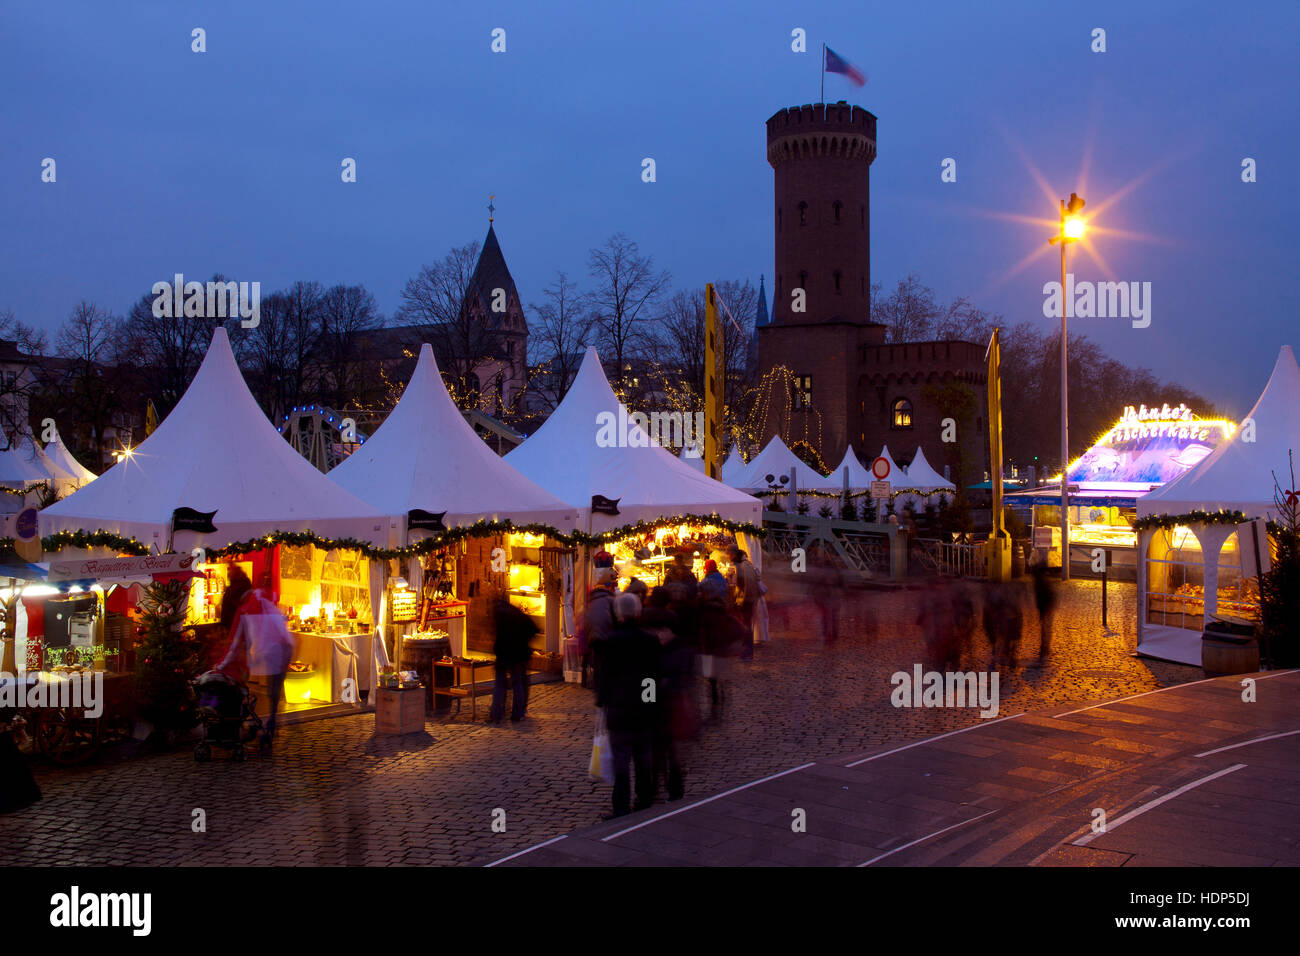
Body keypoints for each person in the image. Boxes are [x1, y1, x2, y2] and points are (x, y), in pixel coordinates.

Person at [597, 592, 661, 817]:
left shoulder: (612, 641)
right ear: (638, 612)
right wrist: (650, 702)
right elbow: (653, 675)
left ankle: (621, 805)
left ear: (618, 614)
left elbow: (605, 675)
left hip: (619, 707)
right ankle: (644, 799)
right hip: (643, 706)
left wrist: (603, 701)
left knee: (621, 759)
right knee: (643, 756)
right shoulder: (650, 640)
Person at [219, 585, 296, 752]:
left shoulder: (246, 609)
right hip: (283, 649)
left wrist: (221, 665)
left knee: (267, 690)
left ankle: (263, 725)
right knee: (274, 691)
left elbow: (237, 638)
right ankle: (271, 723)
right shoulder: (262, 603)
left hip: (272, 651)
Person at [643, 591, 693, 801]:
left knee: (658, 747)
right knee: (668, 748)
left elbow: (648, 675)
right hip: (671, 700)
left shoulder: (645, 624)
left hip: (662, 700)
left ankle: (657, 788)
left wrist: (648, 699)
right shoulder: (679, 646)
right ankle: (672, 787)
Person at [489, 590, 538, 723]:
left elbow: (499, 635)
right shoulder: (515, 612)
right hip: (517, 653)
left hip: (506, 653)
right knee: (517, 683)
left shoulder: (499, 615)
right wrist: (523, 641)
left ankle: (496, 714)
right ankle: (517, 713)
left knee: (500, 684)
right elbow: (532, 628)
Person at [580, 566, 617, 688]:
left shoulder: (593, 600)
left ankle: (597, 683)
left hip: (592, 634)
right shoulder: (610, 600)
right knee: (604, 659)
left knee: (597, 659)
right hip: (604, 633)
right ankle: (602, 684)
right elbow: (615, 617)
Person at [729, 547, 761, 661]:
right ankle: (746, 651)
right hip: (750, 600)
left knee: (745, 627)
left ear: (733, 555)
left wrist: (739, 601)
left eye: (729, 554)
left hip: (746, 601)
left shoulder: (741, 567)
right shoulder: (748, 564)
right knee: (747, 626)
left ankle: (746, 652)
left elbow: (742, 585)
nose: (728, 557)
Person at [1031, 563, 1059, 657]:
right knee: (1046, 627)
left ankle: (1044, 647)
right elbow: (1048, 595)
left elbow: (1040, 596)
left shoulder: (1038, 583)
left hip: (1043, 607)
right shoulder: (1043, 582)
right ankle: (1045, 647)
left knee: (1045, 627)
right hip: (1046, 607)